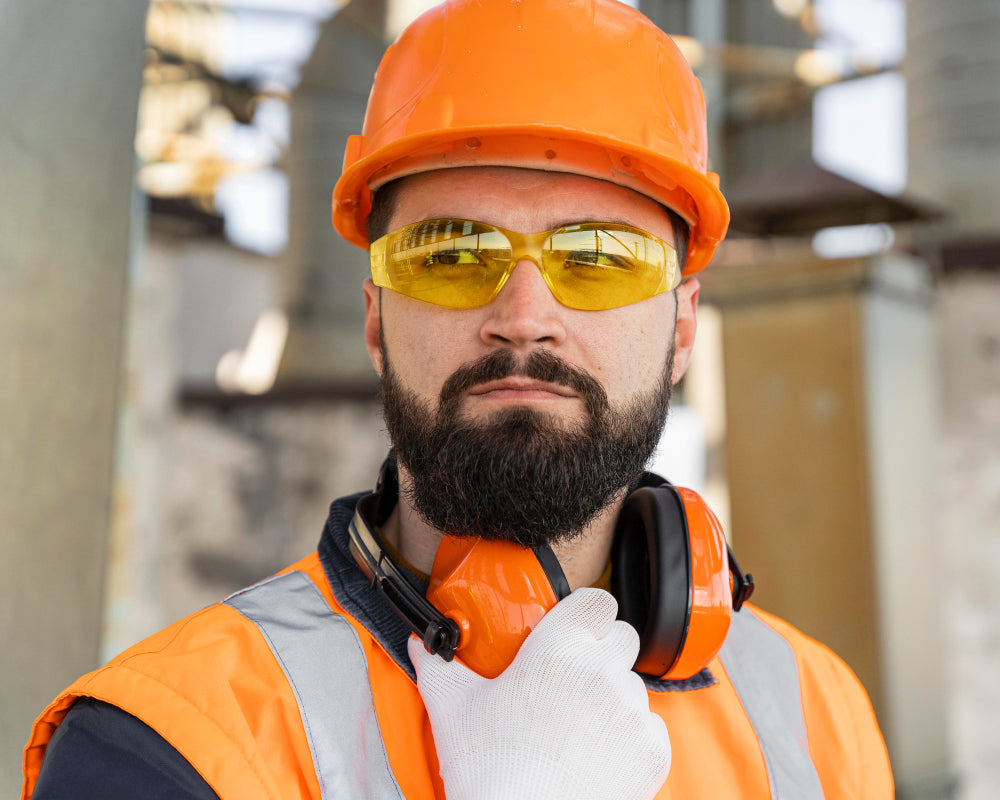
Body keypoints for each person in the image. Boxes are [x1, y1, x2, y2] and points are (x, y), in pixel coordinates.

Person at [22, 1, 893, 798]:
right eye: (449, 254)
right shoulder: (161, 746)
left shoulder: (819, 718)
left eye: (598, 258)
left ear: (683, 327)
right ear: (374, 318)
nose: (524, 319)